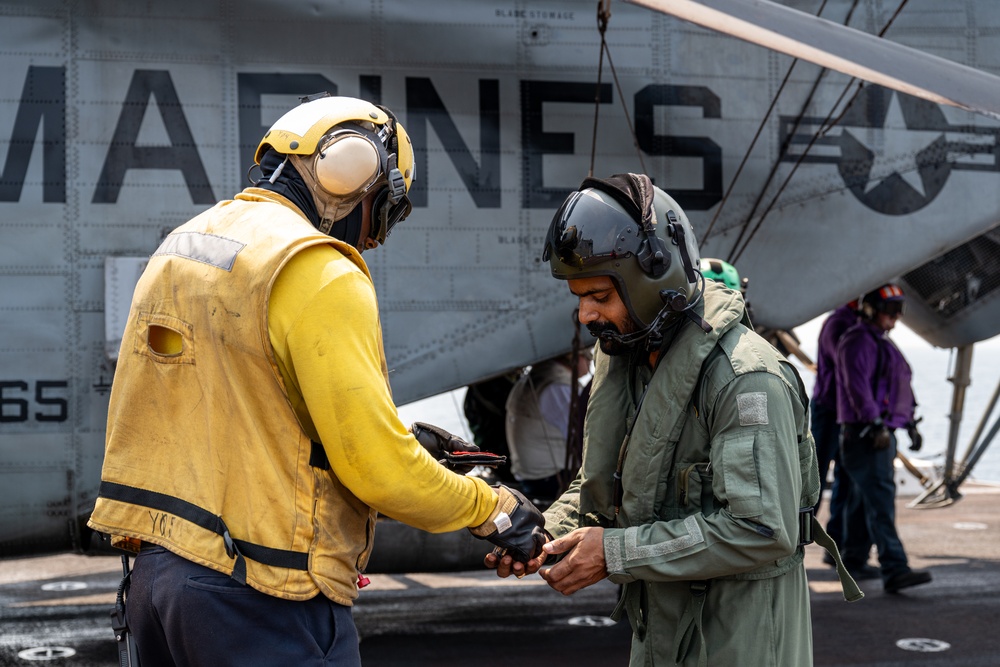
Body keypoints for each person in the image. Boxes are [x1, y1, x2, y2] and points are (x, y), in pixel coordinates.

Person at [87, 94, 545, 666]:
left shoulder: (183, 245)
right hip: (259, 594)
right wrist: (494, 508)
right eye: (386, 210)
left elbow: (242, 411)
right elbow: (378, 469)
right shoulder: (318, 269)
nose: (375, 237)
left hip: (158, 585)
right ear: (352, 172)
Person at [488, 173, 860, 666]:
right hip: (662, 638)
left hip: (738, 644)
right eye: (579, 297)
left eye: (600, 296)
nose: (584, 316)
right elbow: (611, 485)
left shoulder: (746, 380)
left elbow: (760, 529)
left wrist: (614, 553)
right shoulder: (635, 363)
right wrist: (542, 532)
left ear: (652, 283)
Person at [836, 283, 931, 593]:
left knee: (863, 500)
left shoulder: (881, 343)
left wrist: (910, 423)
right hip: (867, 436)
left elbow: (899, 381)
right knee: (880, 502)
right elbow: (858, 387)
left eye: (898, 312)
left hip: (877, 433)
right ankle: (895, 568)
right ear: (870, 310)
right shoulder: (858, 341)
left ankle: (854, 558)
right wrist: (875, 424)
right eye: (890, 312)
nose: (895, 318)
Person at [504, 350, 592, 503]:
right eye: (587, 355)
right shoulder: (557, 387)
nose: (591, 360)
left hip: (531, 477)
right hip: (549, 479)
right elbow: (584, 438)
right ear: (573, 357)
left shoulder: (535, 380)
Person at [812, 301, 863, 561]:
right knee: (815, 476)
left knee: (845, 477)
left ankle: (835, 547)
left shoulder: (852, 322)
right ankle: (797, 540)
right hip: (830, 410)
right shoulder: (840, 323)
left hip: (846, 411)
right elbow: (847, 365)